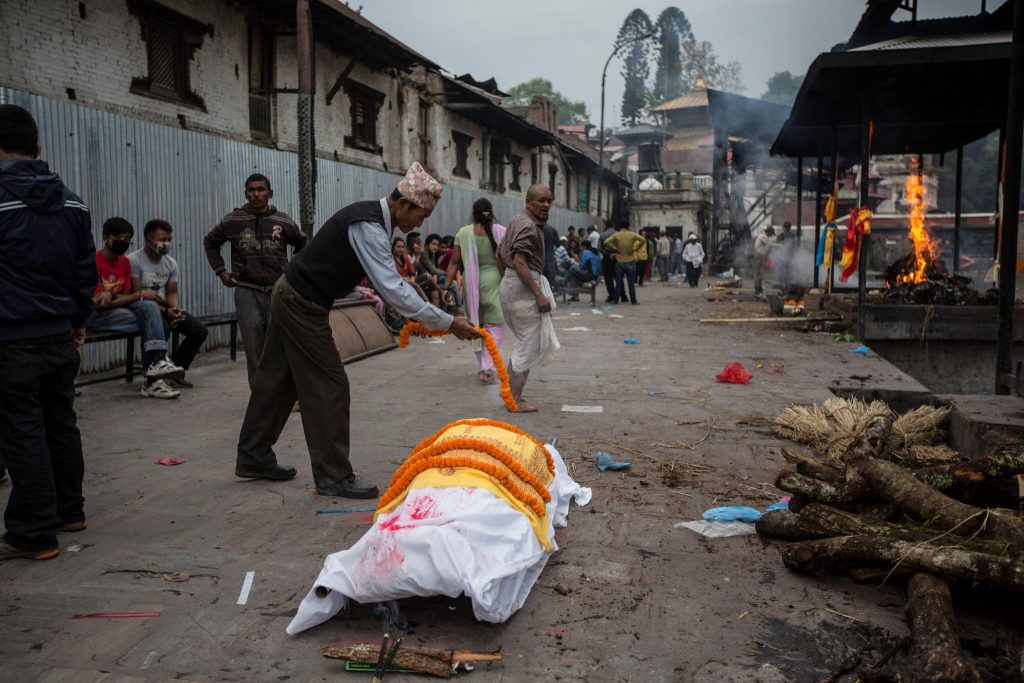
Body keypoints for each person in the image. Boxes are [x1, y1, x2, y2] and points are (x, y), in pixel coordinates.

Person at [234, 162, 480, 498]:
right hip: (300, 301)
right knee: (329, 385)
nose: (417, 225)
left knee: (276, 379)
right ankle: (333, 474)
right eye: (419, 217)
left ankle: (253, 456)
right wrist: (448, 321)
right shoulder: (368, 226)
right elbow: (392, 289)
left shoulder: (373, 221)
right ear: (404, 204)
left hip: (294, 293)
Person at [0, 104, 95, 561]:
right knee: (60, 422)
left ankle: (33, 534)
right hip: (60, 336)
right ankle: (69, 510)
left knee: (22, 432)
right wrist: (77, 322)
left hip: (11, 339)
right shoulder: (73, 202)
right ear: (37, 149)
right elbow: (84, 274)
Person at [205, 174, 306, 389]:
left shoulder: (284, 220)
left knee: (281, 344)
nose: (256, 194)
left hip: (278, 291)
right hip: (246, 290)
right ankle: (260, 397)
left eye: (261, 190)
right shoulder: (233, 220)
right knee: (253, 347)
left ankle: (286, 393)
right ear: (245, 194)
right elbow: (210, 241)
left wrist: (294, 274)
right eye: (251, 190)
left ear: (270, 193)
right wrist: (221, 271)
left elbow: (303, 243)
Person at [87, 217, 185, 399]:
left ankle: (155, 375)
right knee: (151, 314)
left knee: (152, 314)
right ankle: (155, 372)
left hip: (117, 312)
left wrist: (116, 295)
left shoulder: (124, 262)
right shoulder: (93, 261)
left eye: (126, 239)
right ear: (105, 237)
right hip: (92, 316)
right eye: (118, 237)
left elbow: (124, 297)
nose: (122, 242)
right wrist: (138, 295)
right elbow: (98, 303)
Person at [498, 185, 560, 413]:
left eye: (549, 201)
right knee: (528, 343)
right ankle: (514, 398)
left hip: (513, 284)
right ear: (528, 202)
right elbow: (520, 262)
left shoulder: (516, 220)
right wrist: (538, 294)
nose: (546, 205)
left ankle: (510, 394)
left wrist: (505, 283)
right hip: (523, 286)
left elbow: (500, 253)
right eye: (541, 201)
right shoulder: (528, 226)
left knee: (526, 341)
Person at [129, 219, 209, 387]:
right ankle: (152, 377)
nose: (166, 243)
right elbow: (137, 295)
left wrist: (175, 311)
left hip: (163, 307)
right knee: (163, 329)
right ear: (148, 240)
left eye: (169, 240)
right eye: (162, 240)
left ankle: (175, 370)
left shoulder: (170, 263)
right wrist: (166, 313)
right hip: (142, 308)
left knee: (199, 330)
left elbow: (171, 292)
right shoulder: (134, 261)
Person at [444, 198, 507, 385]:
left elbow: (454, 261)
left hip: (471, 283)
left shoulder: (463, 233)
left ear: (473, 213)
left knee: (476, 326)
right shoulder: (501, 231)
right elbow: (508, 260)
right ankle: (487, 367)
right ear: (491, 211)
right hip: (494, 281)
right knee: (497, 325)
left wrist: (446, 287)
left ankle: (483, 365)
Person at [604, 221, 646, 305]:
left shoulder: (617, 235)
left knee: (619, 282)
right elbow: (643, 239)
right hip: (630, 260)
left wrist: (615, 248)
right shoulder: (632, 234)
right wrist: (635, 248)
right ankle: (633, 301)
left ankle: (616, 300)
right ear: (628, 226)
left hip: (619, 260)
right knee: (631, 283)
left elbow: (606, 242)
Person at [753, 225, 776, 298]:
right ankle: (757, 291)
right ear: (768, 232)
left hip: (761, 256)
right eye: (771, 234)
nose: (771, 236)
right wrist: (781, 246)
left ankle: (760, 290)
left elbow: (769, 247)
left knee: (761, 273)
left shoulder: (764, 236)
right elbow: (770, 243)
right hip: (758, 256)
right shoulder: (762, 236)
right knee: (758, 273)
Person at [599, 221, 617, 302]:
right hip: (617, 258)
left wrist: (608, 254)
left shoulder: (602, 235)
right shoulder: (618, 234)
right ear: (613, 225)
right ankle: (622, 295)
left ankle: (612, 295)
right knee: (618, 277)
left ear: (606, 225)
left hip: (606, 259)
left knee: (608, 278)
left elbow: (599, 248)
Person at [542, 222, 559, 289]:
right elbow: (557, 244)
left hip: (538, 258)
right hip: (549, 258)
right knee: (549, 283)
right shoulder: (552, 229)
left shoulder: (534, 228)